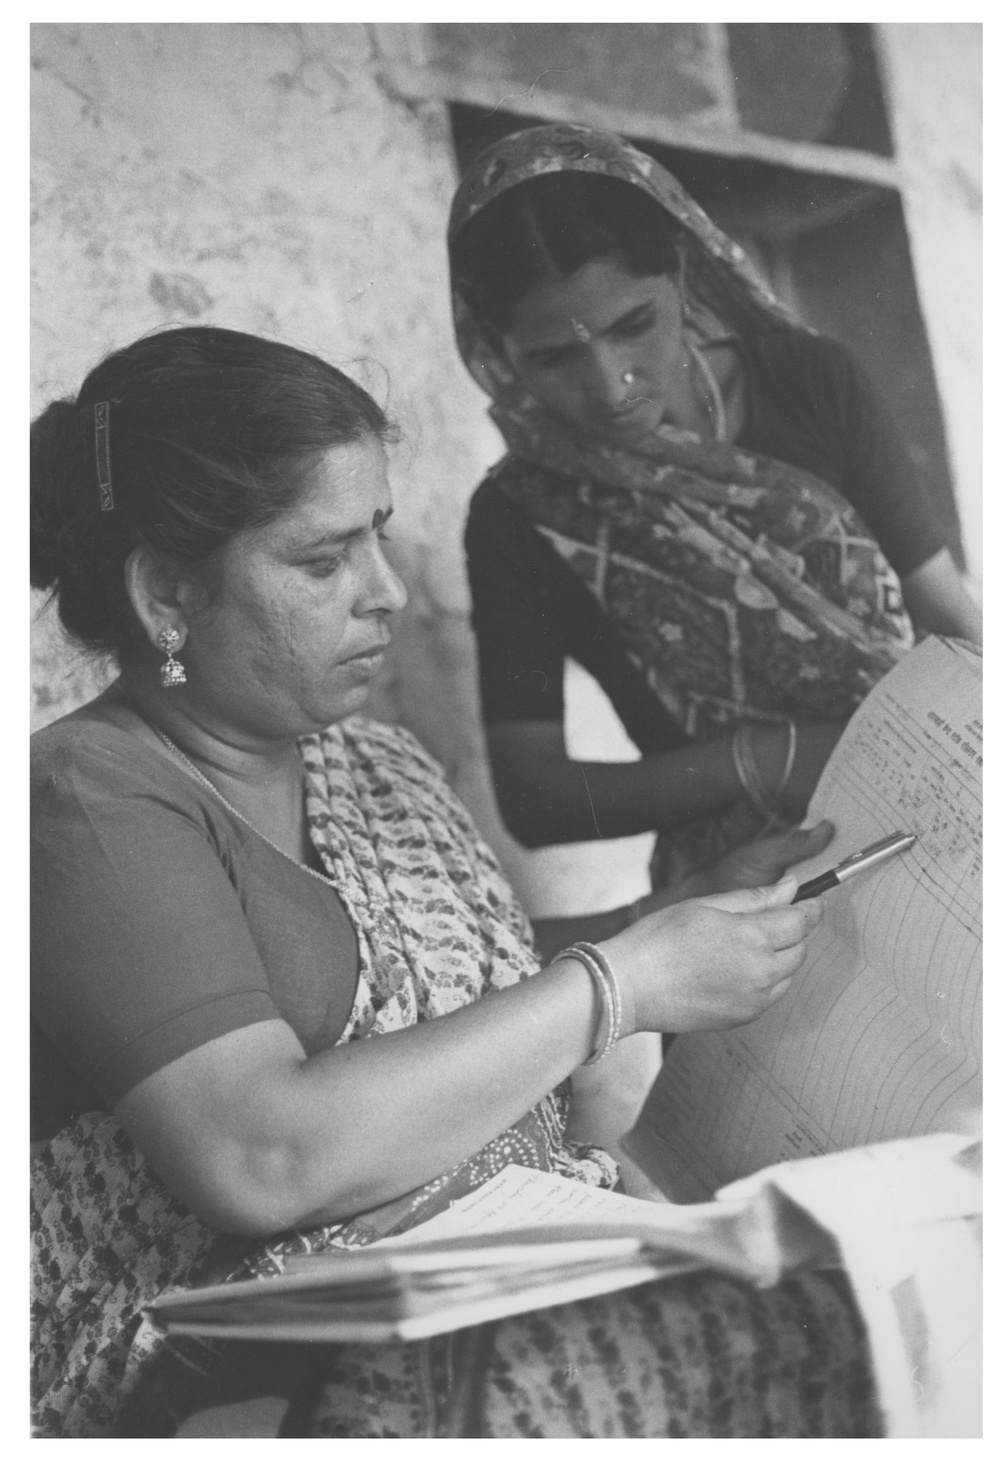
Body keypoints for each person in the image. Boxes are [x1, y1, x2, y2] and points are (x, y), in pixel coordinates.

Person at [31, 325, 877, 1439]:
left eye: (377, 537)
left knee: (857, 1288)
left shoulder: (372, 762)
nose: (385, 591)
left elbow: (446, 1002)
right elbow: (259, 1152)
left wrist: (676, 914)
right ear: (168, 594)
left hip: (482, 1270)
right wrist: (621, 984)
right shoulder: (90, 795)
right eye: (323, 561)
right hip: (217, 1368)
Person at [450, 123, 982, 877]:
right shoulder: (519, 515)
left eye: (633, 326)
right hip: (737, 883)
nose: (611, 386)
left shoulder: (809, 382)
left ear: (681, 271)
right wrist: (761, 760)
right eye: (554, 356)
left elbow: (951, 624)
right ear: (492, 348)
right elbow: (535, 799)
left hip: (926, 813)